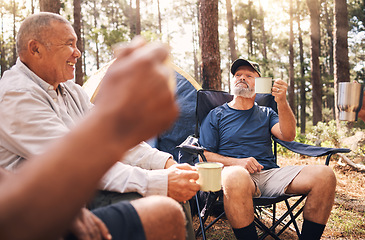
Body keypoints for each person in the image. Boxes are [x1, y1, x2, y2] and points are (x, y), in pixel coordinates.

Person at [0, 12, 199, 239]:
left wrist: (165, 162)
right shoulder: (15, 96)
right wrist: (159, 182)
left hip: (76, 198)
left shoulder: (71, 90)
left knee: (172, 197)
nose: (78, 53)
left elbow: (113, 141)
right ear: (35, 49)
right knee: (165, 203)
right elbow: (77, 163)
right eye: (69, 44)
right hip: (37, 216)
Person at [199, 59, 337, 240]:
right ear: (232, 82)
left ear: (260, 84)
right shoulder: (216, 115)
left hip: (270, 175)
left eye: (249, 75)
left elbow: (288, 135)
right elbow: (204, 156)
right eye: (238, 75)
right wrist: (238, 163)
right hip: (236, 177)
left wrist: (281, 101)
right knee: (235, 176)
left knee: (325, 175)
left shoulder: (266, 113)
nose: (242, 78)